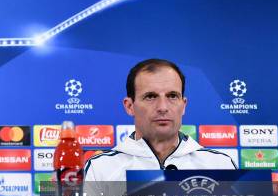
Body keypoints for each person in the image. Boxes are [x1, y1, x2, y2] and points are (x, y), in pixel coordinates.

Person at [84, 58, 237, 181]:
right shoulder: (101, 168)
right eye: (150, 96)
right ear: (130, 106)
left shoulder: (220, 165)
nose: (163, 107)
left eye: (172, 96)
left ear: (183, 106)